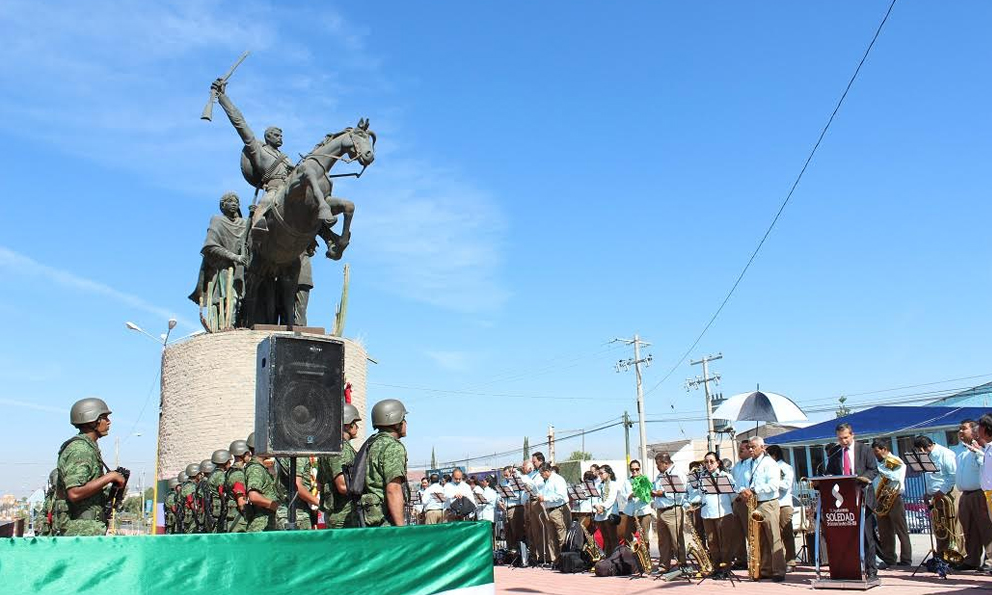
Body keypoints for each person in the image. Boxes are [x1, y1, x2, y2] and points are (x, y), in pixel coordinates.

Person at [56, 398, 127, 536]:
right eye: (104, 417)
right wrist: (109, 477)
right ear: (92, 420)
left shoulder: (89, 447)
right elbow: (74, 493)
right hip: (80, 533)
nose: (109, 422)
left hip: (87, 530)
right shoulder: (80, 449)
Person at [188, 192, 247, 331]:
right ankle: (226, 325)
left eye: (236, 202)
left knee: (242, 300)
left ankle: (238, 324)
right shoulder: (217, 220)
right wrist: (234, 257)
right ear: (223, 205)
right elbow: (210, 246)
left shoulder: (244, 223)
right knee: (228, 298)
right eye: (230, 201)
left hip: (242, 269)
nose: (234, 204)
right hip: (224, 268)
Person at [825, 423, 879, 578]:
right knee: (846, 537)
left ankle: (871, 570)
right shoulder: (835, 453)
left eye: (846, 438)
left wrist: (864, 478)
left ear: (852, 435)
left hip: (863, 497)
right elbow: (830, 472)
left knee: (867, 536)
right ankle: (850, 569)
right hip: (843, 500)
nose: (843, 441)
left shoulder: (865, 450)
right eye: (840, 439)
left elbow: (873, 470)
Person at [741, 437, 786, 581]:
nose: (750, 450)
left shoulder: (769, 463)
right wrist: (744, 490)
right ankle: (765, 569)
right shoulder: (748, 463)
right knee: (759, 538)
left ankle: (779, 570)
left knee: (773, 537)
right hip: (754, 503)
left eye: (753, 447)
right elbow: (744, 481)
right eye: (749, 447)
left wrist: (754, 490)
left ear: (762, 447)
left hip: (768, 503)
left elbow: (773, 485)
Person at [687, 451, 739, 572]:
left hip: (724, 513)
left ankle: (725, 568)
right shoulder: (702, 478)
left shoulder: (726, 476)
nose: (709, 464)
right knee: (712, 542)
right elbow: (700, 495)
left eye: (711, 461)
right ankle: (716, 567)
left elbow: (734, 495)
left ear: (718, 463)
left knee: (725, 542)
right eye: (706, 462)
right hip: (707, 513)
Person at [360, 399, 409, 527]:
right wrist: (400, 528)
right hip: (386, 521)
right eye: (403, 419)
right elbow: (393, 489)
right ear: (396, 422)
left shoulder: (372, 444)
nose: (405, 423)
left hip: (371, 519)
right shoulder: (392, 447)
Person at [954, 420, 992, 570]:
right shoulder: (960, 451)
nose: (960, 432)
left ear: (974, 431)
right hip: (965, 494)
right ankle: (972, 559)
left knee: (985, 527)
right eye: (959, 429)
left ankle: (990, 560)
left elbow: (984, 465)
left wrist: (978, 451)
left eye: (964, 429)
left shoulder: (982, 448)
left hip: (979, 493)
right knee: (969, 528)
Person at [913, 434, 957, 562]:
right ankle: (941, 556)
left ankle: (953, 556)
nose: (919, 453)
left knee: (950, 527)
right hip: (935, 497)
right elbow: (931, 477)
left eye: (919, 450)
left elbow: (952, 476)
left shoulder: (945, 454)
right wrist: (928, 493)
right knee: (939, 527)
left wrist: (941, 492)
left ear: (924, 447)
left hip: (946, 495)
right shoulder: (926, 457)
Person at [319, 403, 362, 528]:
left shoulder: (330, 447)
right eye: (355, 422)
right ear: (348, 424)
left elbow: (320, 482)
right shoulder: (340, 448)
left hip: (337, 515)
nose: (357, 427)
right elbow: (343, 486)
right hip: (344, 517)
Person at [871, 439, 912, 566]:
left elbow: (896, 477)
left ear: (884, 449)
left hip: (894, 497)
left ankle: (906, 559)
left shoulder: (895, 460)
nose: (875, 454)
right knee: (884, 531)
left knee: (901, 530)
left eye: (877, 451)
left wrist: (880, 470)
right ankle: (889, 558)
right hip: (881, 498)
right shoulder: (878, 463)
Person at [651, 452, 687, 572]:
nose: (657, 467)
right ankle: (663, 566)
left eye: (658, 464)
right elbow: (656, 489)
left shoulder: (677, 473)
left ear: (665, 463)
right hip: (661, 510)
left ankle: (682, 565)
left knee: (676, 540)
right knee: (663, 540)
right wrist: (652, 492)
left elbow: (681, 492)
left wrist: (662, 493)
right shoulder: (660, 475)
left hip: (673, 509)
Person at [243, 433, 282, 531]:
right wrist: (275, 506)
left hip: (266, 521)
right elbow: (254, 496)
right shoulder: (256, 469)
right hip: (262, 524)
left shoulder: (260, 467)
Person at [766, 445, 797, 567]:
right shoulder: (768, 468)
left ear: (774, 455)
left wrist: (773, 482)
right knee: (774, 534)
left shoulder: (785, 467)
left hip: (783, 503)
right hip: (771, 503)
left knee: (786, 533)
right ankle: (778, 561)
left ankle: (790, 561)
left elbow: (786, 485)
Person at [617, 459, 654, 548]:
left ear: (640, 468)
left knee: (644, 537)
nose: (634, 471)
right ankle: (630, 555)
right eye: (632, 469)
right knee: (628, 537)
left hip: (644, 511)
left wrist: (643, 494)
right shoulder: (627, 481)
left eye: (637, 469)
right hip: (631, 512)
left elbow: (650, 495)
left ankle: (645, 555)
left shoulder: (645, 479)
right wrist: (631, 495)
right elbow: (623, 495)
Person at [731, 439, 754, 568]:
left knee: (750, 531)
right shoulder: (736, 466)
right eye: (739, 449)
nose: (740, 451)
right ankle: (741, 560)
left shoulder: (753, 464)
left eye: (743, 449)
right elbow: (732, 483)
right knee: (737, 532)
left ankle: (755, 559)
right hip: (737, 500)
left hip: (748, 500)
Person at [224, 439, 251, 533]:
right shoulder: (238, 474)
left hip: (233, 516)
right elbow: (241, 502)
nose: (250, 455)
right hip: (239, 520)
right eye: (248, 453)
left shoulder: (230, 471)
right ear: (242, 455)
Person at [592, 464, 619, 557]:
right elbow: (595, 497)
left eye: (601, 473)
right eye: (599, 473)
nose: (600, 475)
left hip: (610, 513)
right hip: (600, 514)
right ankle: (607, 557)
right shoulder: (598, 485)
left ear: (608, 473)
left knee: (613, 538)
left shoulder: (613, 484)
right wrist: (597, 506)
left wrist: (602, 507)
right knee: (605, 537)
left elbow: (611, 498)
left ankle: (615, 557)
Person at [500, 466, 526, 548]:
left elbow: (519, 496)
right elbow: (498, 495)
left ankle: (519, 550)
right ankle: (511, 549)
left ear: (511, 473)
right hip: (505, 509)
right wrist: (499, 502)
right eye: (504, 475)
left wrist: (508, 495)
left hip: (515, 508)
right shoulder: (503, 483)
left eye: (506, 475)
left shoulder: (516, 482)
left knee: (516, 531)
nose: (505, 477)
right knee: (508, 531)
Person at [207, 449, 231, 533]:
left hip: (212, 504)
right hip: (218, 506)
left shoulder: (213, 473)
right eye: (228, 461)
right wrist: (225, 505)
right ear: (224, 462)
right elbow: (221, 491)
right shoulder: (220, 474)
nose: (230, 463)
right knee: (218, 528)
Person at [180, 463, 202, 533]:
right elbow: (191, 500)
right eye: (199, 474)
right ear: (195, 474)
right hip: (191, 514)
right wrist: (196, 512)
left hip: (190, 513)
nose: (201, 475)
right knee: (191, 533)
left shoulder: (188, 485)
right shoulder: (190, 486)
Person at [196, 460, 216, 532]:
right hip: (208, 509)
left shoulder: (202, 482)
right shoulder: (206, 482)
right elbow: (202, 498)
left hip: (206, 509)